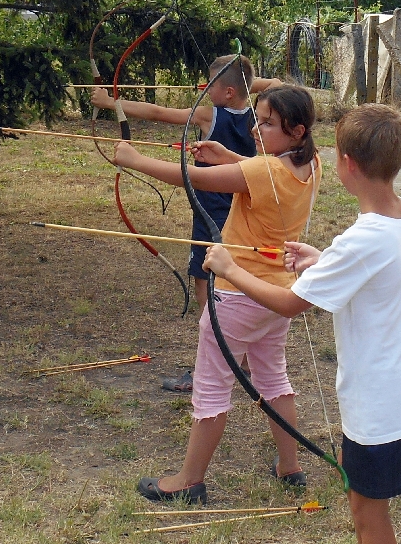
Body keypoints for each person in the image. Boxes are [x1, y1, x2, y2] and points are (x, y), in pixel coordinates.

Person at [203, 103, 401, 544]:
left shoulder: (365, 240)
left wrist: (230, 270)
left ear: (347, 164)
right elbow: (366, 270)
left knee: (368, 513)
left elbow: (289, 303)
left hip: (381, 403)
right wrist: (321, 259)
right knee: (367, 504)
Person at [113, 85, 321, 502]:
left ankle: (189, 481)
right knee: (273, 379)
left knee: (211, 386)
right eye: (258, 119)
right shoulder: (310, 162)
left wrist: (135, 160)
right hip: (274, 293)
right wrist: (230, 157)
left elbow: (194, 178)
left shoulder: (263, 171)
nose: (256, 129)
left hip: (236, 295)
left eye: (268, 123)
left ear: (297, 130)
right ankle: (289, 466)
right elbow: (266, 175)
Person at [92, 55, 281, 392]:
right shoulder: (258, 115)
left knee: (206, 288)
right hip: (242, 214)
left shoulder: (211, 114)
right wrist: (244, 84)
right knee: (236, 283)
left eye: (210, 85)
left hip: (211, 216)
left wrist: (111, 103)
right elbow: (277, 84)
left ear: (228, 92)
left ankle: (217, 359)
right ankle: (242, 360)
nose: (204, 90)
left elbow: (158, 113)